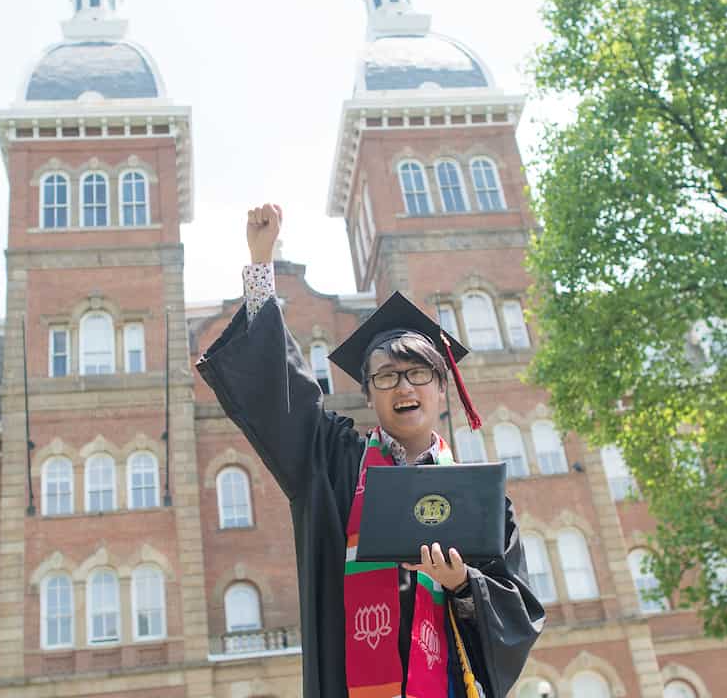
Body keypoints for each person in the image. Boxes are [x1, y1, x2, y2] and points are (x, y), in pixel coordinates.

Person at [196, 203, 544, 698]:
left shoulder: (478, 501)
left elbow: (519, 613)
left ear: (441, 389)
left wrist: (463, 583)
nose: (404, 387)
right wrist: (260, 264)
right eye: (385, 376)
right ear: (368, 394)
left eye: (418, 373)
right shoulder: (335, 464)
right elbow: (283, 394)